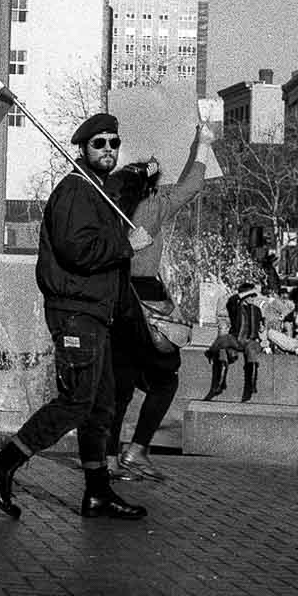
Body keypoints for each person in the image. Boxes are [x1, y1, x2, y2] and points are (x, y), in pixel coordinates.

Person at [0, 111, 155, 521]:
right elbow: (77, 250)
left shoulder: (99, 191)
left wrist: (147, 174)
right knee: (77, 401)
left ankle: (97, 492)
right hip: (76, 314)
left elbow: (126, 188)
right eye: (99, 143)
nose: (108, 149)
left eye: (113, 142)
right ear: (83, 149)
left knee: (102, 405)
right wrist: (127, 245)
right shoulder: (75, 191)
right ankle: (3, 465)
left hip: (96, 315)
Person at [105, 147, 207, 483]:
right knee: (166, 378)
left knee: (119, 385)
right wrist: (203, 144)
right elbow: (192, 186)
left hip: (112, 297)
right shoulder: (153, 205)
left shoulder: (106, 207)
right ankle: (136, 449)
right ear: (150, 185)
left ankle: (108, 458)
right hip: (145, 299)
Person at [208, 282, 265, 401]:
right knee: (223, 340)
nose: (253, 298)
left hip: (251, 341)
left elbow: (261, 326)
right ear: (244, 296)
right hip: (236, 339)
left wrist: (262, 329)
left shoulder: (257, 310)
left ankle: (250, 386)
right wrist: (248, 291)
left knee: (251, 351)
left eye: (254, 296)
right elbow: (233, 299)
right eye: (251, 296)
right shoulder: (235, 307)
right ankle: (220, 383)